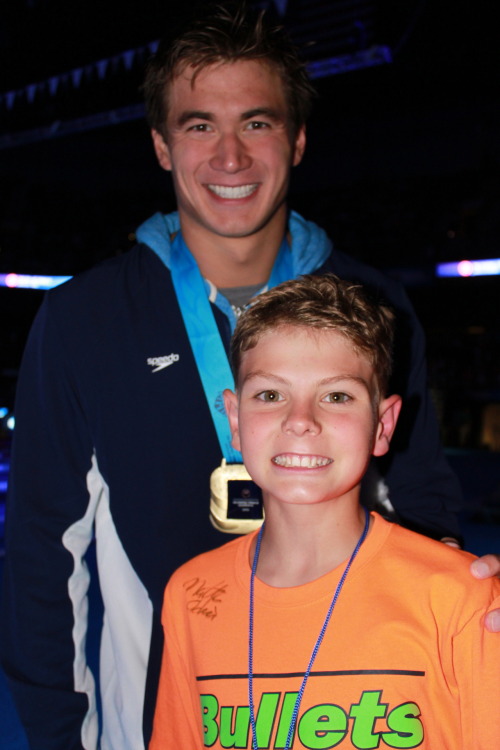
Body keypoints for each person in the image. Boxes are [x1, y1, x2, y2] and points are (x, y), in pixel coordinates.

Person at [1, 4, 499, 750]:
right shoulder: (83, 319)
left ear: (297, 140)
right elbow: (44, 553)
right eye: (200, 125)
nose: (230, 157)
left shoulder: (375, 305)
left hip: (350, 714)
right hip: (151, 721)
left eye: (257, 123)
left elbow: (417, 498)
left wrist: (466, 599)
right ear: (162, 146)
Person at [149, 273, 500, 749]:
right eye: (270, 395)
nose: (300, 421)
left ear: (383, 425)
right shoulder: (190, 594)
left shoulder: (461, 598)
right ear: (235, 420)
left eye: (336, 396)